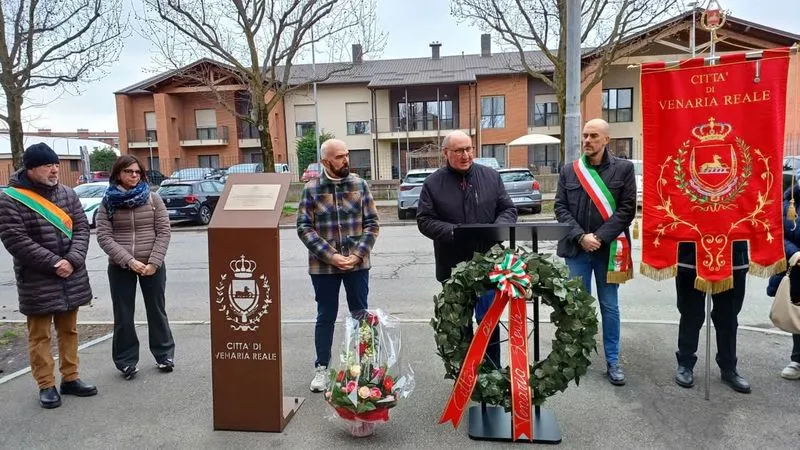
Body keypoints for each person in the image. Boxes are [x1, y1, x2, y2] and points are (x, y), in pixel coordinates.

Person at [0, 143, 97, 408]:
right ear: (30, 169)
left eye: (55, 164)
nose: (54, 170)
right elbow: (15, 239)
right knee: (39, 335)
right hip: (37, 280)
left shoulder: (67, 194)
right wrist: (56, 263)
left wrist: (72, 260)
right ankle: (46, 384)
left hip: (71, 275)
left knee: (69, 330)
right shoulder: (10, 199)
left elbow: (82, 230)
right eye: (47, 165)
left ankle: (71, 378)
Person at [417, 130, 517, 369]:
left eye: (469, 149)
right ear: (446, 153)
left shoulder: (491, 177)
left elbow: (508, 209)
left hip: (488, 266)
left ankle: (492, 371)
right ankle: (465, 375)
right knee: (459, 325)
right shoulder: (433, 183)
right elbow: (425, 220)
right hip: (452, 267)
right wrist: (453, 232)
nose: (466, 155)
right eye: (459, 150)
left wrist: (497, 229)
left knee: (488, 323)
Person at [554, 118, 636, 386]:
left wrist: (598, 238)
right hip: (577, 249)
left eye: (593, 136)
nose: (587, 140)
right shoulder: (569, 171)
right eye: (585, 136)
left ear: (606, 140)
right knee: (578, 306)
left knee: (609, 306)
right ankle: (579, 355)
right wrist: (581, 237)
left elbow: (627, 209)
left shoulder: (623, 169)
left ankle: (613, 360)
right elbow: (560, 208)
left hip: (608, 250)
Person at [297, 138, 380, 392]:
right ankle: (322, 368)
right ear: (325, 161)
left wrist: (357, 255)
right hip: (324, 266)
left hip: (357, 264)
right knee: (325, 315)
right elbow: (304, 227)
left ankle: (366, 368)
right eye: (339, 157)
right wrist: (331, 256)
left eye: (347, 155)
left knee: (360, 315)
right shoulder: (311, 189)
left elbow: (372, 223)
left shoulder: (359, 185)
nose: (346, 160)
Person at [96, 155, 174, 380]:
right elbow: (104, 236)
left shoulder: (152, 199)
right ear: (118, 174)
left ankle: (164, 355)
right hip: (121, 266)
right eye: (129, 171)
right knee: (123, 315)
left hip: (152, 265)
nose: (134, 175)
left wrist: (153, 262)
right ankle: (126, 361)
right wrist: (129, 261)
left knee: (157, 311)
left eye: (137, 172)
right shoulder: (108, 201)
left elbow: (164, 232)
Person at [674, 242, 750, 393]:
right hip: (692, 251)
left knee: (728, 316)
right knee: (691, 313)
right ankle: (685, 363)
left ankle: (728, 367)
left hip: (731, 252)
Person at [766, 184, 800, 381]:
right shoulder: (789, 204)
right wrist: (794, 253)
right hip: (797, 269)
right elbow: (777, 234)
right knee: (798, 314)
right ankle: (797, 360)